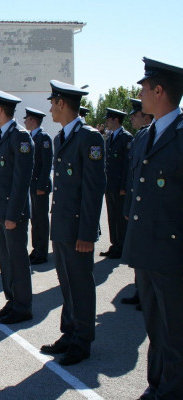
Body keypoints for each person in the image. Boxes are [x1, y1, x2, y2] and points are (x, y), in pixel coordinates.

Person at [122, 57, 183, 399]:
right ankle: (157, 384)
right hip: (146, 249)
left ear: (159, 90)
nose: (140, 93)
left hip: (172, 253)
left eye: (144, 88)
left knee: (176, 333)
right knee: (155, 329)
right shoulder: (145, 136)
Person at [40, 80, 106, 366]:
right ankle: (69, 332)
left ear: (63, 103)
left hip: (78, 228)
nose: (51, 108)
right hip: (63, 225)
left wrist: (88, 233)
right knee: (66, 282)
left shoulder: (89, 138)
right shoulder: (61, 138)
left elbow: (93, 189)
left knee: (80, 284)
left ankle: (82, 340)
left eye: (53, 103)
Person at [0, 89, 34, 325]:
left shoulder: (20, 137)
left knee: (17, 259)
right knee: (5, 259)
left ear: (0, 110)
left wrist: (13, 214)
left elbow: (21, 180)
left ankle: (23, 306)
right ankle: (11, 301)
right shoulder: (1, 137)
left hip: (12, 213)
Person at [120, 97, 154, 309]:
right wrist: (128, 206)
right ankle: (140, 290)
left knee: (150, 255)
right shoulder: (141, 136)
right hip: (137, 204)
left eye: (136, 114)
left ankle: (149, 294)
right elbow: (133, 175)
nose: (132, 118)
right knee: (139, 252)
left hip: (152, 208)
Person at [99, 108, 133, 259]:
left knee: (120, 218)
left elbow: (127, 165)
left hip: (120, 186)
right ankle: (115, 244)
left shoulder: (126, 138)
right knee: (112, 216)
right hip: (110, 184)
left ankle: (122, 246)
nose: (106, 122)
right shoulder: (111, 136)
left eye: (109, 119)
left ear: (116, 120)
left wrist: (124, 186)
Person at [24, 107, 53, 265]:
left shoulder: (44, 138)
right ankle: (36, 249)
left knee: (41, 220)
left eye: (27, 119)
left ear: (33, 120)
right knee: (34, 219)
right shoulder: (30, 137)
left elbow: (47, 164)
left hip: (40, 186)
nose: (24, 122)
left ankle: (42, 252)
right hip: (33, 185)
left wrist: (41, 185)